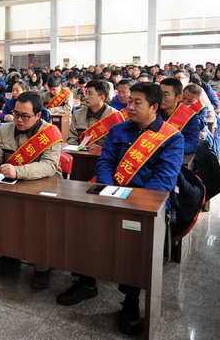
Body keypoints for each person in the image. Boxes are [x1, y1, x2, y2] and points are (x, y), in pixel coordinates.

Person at [56, 82, 184, 336]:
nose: (130, 106)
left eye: (137, 102)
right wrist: (110, 189)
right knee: (81, 224)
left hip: (145, 202)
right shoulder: (118, 130)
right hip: (111, 192)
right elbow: (105, 162)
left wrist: (128, 199)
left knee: (135, 244)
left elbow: (163, 181)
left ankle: (130, 300)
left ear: (154, 107)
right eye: (129, 101)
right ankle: (86, 281)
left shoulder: (172, 137)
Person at [0, 92, 62, 289]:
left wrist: (18, 171)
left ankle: (42, 267)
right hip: (11, 185)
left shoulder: (51, 133)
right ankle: (8, 256)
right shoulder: (5, 129)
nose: (19, 120)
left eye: (25, 116)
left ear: (38, 115)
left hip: (43, 186)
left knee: (39, 226)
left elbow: (49, 166)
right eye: (16, 114)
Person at [67, 80, 123, 147]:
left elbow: (119, 144)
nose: (85, 97)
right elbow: (72, 140)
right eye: (86, 93)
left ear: (102, 97)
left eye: (90, 94)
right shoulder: (77, 114)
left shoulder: (114, 116)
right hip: (80, 152)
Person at [159, 78, 202, 154]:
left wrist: (170, 149)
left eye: (165, 95)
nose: (161, 98)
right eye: (159, 94)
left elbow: (192, 144)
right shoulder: (152, 111)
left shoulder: (190, 116)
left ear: (179, 98)